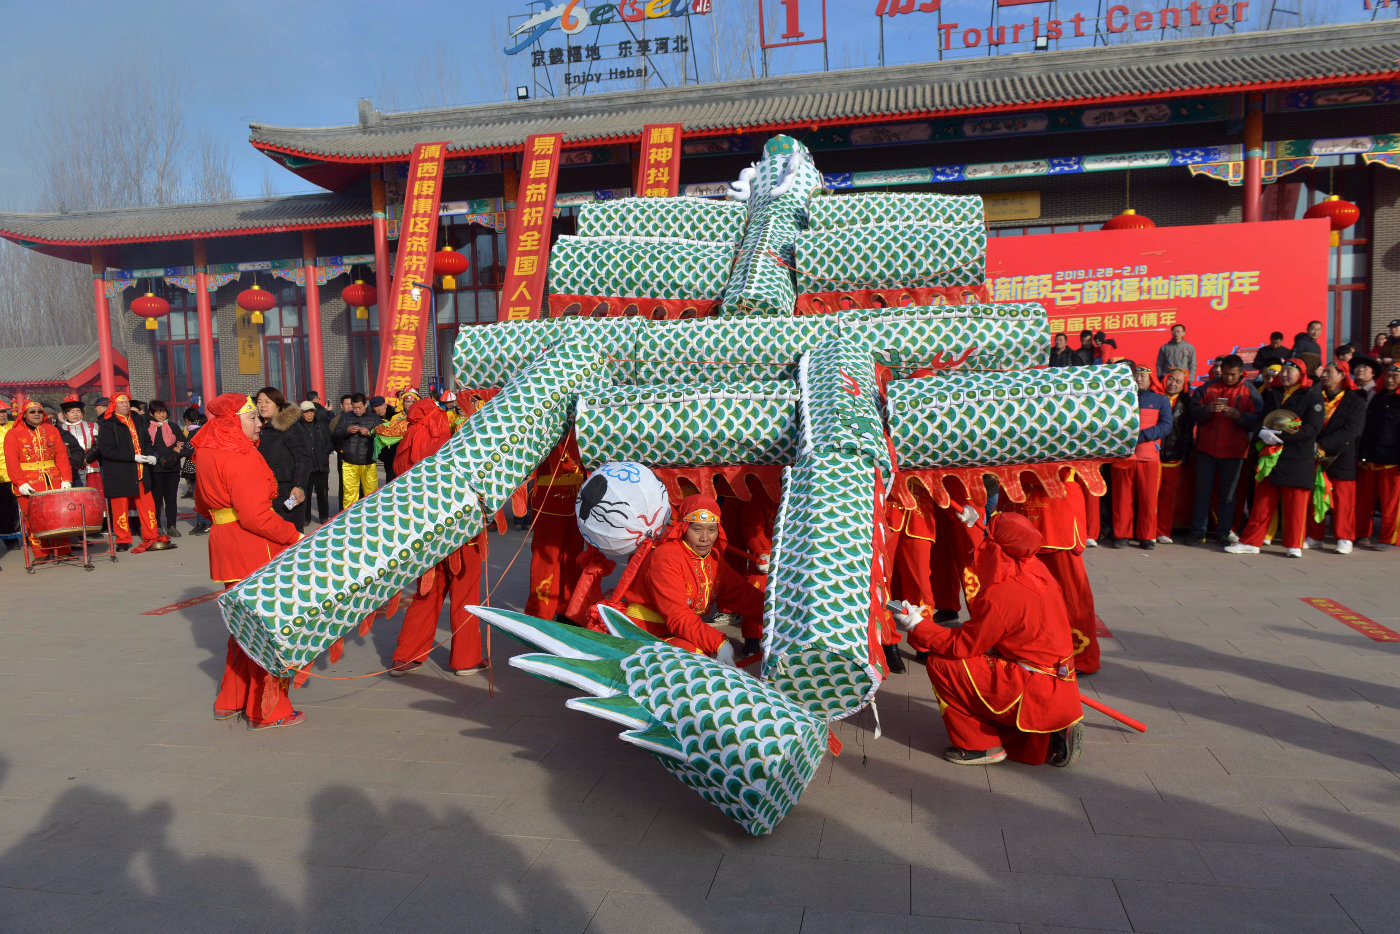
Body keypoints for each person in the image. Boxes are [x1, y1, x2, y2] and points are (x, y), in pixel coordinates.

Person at [894, 512, 1084, 767]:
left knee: (943, 663)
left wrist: (918, 626)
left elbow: (963, 645)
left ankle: (979, 745)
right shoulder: (1037, 569)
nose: (982, 545)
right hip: (1059, 679)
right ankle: (1052, 732)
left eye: (988, 539)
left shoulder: (1003, 593)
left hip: (1030, 683)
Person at [193, 393, 304, 730]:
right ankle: (267, 710)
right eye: (252, 418)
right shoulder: (238, 456)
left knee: (242, 628)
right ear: (232, 422)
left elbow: (201, 504)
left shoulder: (207, 451)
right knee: (267, 629)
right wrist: (293, 536)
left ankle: (232, 698)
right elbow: (255, 516)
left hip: (225, 543)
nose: (260, 423)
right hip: (252, 546)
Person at [387, 397, 487, 677]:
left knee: (426, 593)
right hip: (462, 527)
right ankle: (466, 660)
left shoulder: (409, 440)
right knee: (465, 592)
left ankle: (407, 656)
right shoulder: (453, 435)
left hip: (426, 530)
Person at [621, 494, 764, 660]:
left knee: (703, 652)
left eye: (711, 529)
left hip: (680, 629)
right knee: (697, 658)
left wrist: (778, 614)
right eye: (697, 529)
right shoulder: (665, 557)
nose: (705, 538)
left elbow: (743, 595)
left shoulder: (713, 559)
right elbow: (679, 617)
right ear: (684, 528)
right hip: (647, 631)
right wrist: (719, 642)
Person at [1000, 466, 1101, 675]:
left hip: (1056, 506)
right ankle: (1030, 650)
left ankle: (1082, 656)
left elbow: (1061, 468)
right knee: (1021, 589)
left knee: (1072, 591)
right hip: (1022, 502)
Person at [1227, 359, 1325, 558]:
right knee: (1262, 502)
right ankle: (1250, 542)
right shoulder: (1274, 394)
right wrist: (1261, 432)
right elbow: (1260, 419)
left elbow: (1311, 429)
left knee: (1295, 504)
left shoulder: (1312, 396)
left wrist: (1281, 437)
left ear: (1301, 375)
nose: (1286, 375)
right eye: (1284, 371)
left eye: (1290, 371)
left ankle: (1294, 545)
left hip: (1297, 457)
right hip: (1271, 457)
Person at [1187, 355, 1263, 545]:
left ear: (1240, 373)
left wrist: (1239, 416)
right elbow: (1192, 412)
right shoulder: (1208, 388)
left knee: (1228, 495)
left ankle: (1224, 531)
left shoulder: (1249, 391)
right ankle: (1198, 532)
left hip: (1234, 452)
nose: (1228, 378)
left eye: (1233, 375)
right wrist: (1207, 410)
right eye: (1226, 374)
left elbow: (1259, 421)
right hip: (1206, 450)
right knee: (1202, 492)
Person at [525, 433, 590, 623]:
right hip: (549, 500)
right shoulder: (546, 424)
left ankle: (569, 611)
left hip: (577, 500)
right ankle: (538, 616)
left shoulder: (581, 423)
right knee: (546, 560)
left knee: (573, 559)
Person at [3, 394, 74, 560]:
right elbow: (11, 462)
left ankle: (63, 550)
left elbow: (61, 456)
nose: (36, 414)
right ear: (24, 415)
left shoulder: (51, 430)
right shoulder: (13, 434)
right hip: (29, 482)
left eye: (39, 412)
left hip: (53, 480)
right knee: (32, 518)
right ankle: (40, 552)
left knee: (58, 515)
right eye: (32, 411)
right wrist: (20, 483)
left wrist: (66, 479)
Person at [1306, 362, 1366, 555]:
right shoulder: (1315, 396)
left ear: (1342, 375)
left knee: (1343, 500)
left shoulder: (1355, 400)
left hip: (1341, 455)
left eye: (1329, 372)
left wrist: (1323, 445)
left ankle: (1344, 537)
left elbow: (1352, 429)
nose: (1324, 375)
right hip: (1315, 454)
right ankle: (1315, 536)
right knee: (1317, 497)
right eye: (1323, 371)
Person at [96, 392, 166, 553]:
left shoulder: (138, 419)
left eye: (127, 402)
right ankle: (123, 539)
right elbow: (107, 451)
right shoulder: (108, 424)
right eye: (122, 403)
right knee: (120, 507)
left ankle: (151, 535)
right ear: (114, 406)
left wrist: (151, 455)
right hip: (120, 472)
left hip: (141, 471)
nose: (126, 405)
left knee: (147, 505)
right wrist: (132, 457)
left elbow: (147, 441)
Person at [1113, 364, 1173, 549]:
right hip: (1124, 456)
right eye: (1136, 376)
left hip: (1149, 456)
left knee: (1148, 500)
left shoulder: (1161, 399)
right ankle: (1121, 535)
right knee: (1122, 498)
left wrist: (1142, 436)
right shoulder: (1121, 398)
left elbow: (1166, 425)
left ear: (1150, 379)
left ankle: (1147, 537)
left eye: (1142, 376)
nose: (1138, 379)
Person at [1355, 363, 1400, 549]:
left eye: (1395, 377)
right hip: (1370, 456)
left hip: (1392, 460)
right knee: (1363, 501)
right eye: (1388, 376)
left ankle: (1388, 538)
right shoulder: (1377, 396)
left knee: (1391, 504)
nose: (1390, 380)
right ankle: (1360, 533)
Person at [254, 387, 311, 533]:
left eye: (267, 401)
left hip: (287, 491)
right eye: (259, 402)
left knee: (290, 536)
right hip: (264, 492)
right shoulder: (259, 428)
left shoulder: (289, 426)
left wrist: (299, 486)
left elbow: (303, 458)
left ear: (278, 404)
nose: (262, 405)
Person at [1156, 367, 1194, 544]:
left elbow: (1187, 432)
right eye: (1171, 379)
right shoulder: (1155, 398)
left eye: (1178, 381)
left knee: (1167, 495)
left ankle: (1163, 530)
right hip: (1152, 455)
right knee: (1148, 496)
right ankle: (1146, 530)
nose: (1173, 383)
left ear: (1184, 385)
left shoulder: (1187, 404)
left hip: (1173, 455)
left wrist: (1186, 452)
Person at [146, 400, 190, 538]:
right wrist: (158, 459)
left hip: (173, 468)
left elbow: (183, 445)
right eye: (158, 412)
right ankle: (158, 526)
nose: (162, 415)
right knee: (157, 500)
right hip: (156, 469)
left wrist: (175, 456)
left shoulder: (173, 427)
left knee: (171, 499)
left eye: (164, 412)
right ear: (151, 413)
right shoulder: (147, 428)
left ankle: (172, 526)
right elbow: (147, 447)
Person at [332, 393, 381, 507]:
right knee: (349, 494)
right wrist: (347, 430)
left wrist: (369, 433)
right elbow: (335, 435)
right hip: (349, 462)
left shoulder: (374, 418)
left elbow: (382, 436)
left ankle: (371, 518)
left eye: (359, 407)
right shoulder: (345, 417)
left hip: (368, 461)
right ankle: (350, 520)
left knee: (371, 493)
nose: (357, 410)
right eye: (354, 408)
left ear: (365, 405)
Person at [299, 401, 333, 524]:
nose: (309, 414)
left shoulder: (322, 426)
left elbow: (331, 441)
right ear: (301, 413)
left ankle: (324, 516)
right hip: (305, 466)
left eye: (311, 411)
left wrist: (325, 451)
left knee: (323, 492)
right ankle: (306, 518)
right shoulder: (297, 427)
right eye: (306, 412)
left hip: (321, 465)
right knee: (306, 493)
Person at [183, 408, 211, 534]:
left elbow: (195, 450)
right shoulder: (200, 430)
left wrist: (180, 451)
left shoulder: (195, 431)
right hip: (197, 467)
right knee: (199, 496)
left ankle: (203, 522)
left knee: (199, 497)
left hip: (196, 467)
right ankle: (202, 522)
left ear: (187, 420)